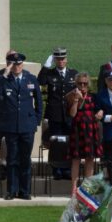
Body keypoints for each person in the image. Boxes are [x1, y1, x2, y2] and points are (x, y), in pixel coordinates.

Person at [0, 52, 43, 199]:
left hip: (27, 126)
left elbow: (39, 102)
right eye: (14, 64)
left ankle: (25, 191)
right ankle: (11, 191)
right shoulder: (5, 80)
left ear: (23, 64)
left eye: (19, 64)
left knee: (25, 159)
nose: (17, 67)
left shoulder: (31, 78)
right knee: (12, 159)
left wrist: (36, 121)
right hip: (11, 126)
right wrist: (5, 74)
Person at [38, 48, 78, 179]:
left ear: (66, 59)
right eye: (58, 59)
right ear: (55, 60)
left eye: (63, 58)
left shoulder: (73, 73)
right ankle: (56, 169)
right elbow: (40, 81)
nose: (61, 61)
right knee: (56, 143)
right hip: (55, 115)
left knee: (68, 142)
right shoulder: (50, 73)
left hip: (69, 115)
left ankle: (67, 168)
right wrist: (45, 66)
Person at [65, 72, 103, 194]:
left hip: (90, 129)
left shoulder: (93, 96)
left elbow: (99, 109)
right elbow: (72, 114)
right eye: (80, 83)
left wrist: (100, 112)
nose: (82, 85)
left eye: (85, 83)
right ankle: (73, 188)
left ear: (88, 84)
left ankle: (87, 187)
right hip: (77, 129)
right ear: (76, 83)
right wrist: (76, 100)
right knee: (76, 159)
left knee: (90, 159)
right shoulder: (71, 95)